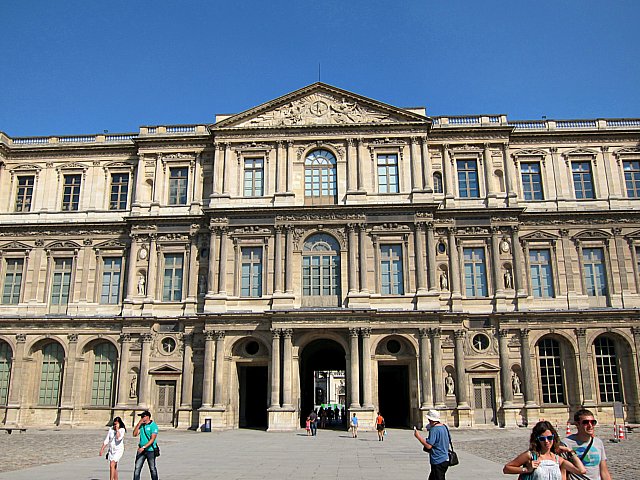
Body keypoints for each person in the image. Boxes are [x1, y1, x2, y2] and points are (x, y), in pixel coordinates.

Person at [503, 420, 586, 480]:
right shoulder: (531, 455)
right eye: (542, 438)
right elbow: (507, 469)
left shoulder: (557, 459)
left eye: (549, 438)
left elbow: (581, 470)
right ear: (537, 439)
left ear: (554, 437)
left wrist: (570, 451)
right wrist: (526, 469)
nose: (546, 441)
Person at [562, 409, 612, 480]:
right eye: (586, 422)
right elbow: (562, 470)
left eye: (593, 422)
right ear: (577, 424)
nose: (590, 425)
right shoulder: (566, 443)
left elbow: (604, 471)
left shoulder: (598, 442)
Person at [414, 410, 450, 480]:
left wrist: (418, 436)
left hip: (438, 459)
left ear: (431, 419)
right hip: (445, 458)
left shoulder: (434, 429)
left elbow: (428, 446)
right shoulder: (444, 427)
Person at [133, 410, 159, 480]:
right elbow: (134, 434)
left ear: (147, 417)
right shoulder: (141, 425)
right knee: (137, 468)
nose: (141, 418)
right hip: (141, 450)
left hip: (150, 450)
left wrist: (144, 447)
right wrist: (138, 424)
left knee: (152, 468)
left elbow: (152, 439)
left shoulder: (153, 426)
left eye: (143, 416)